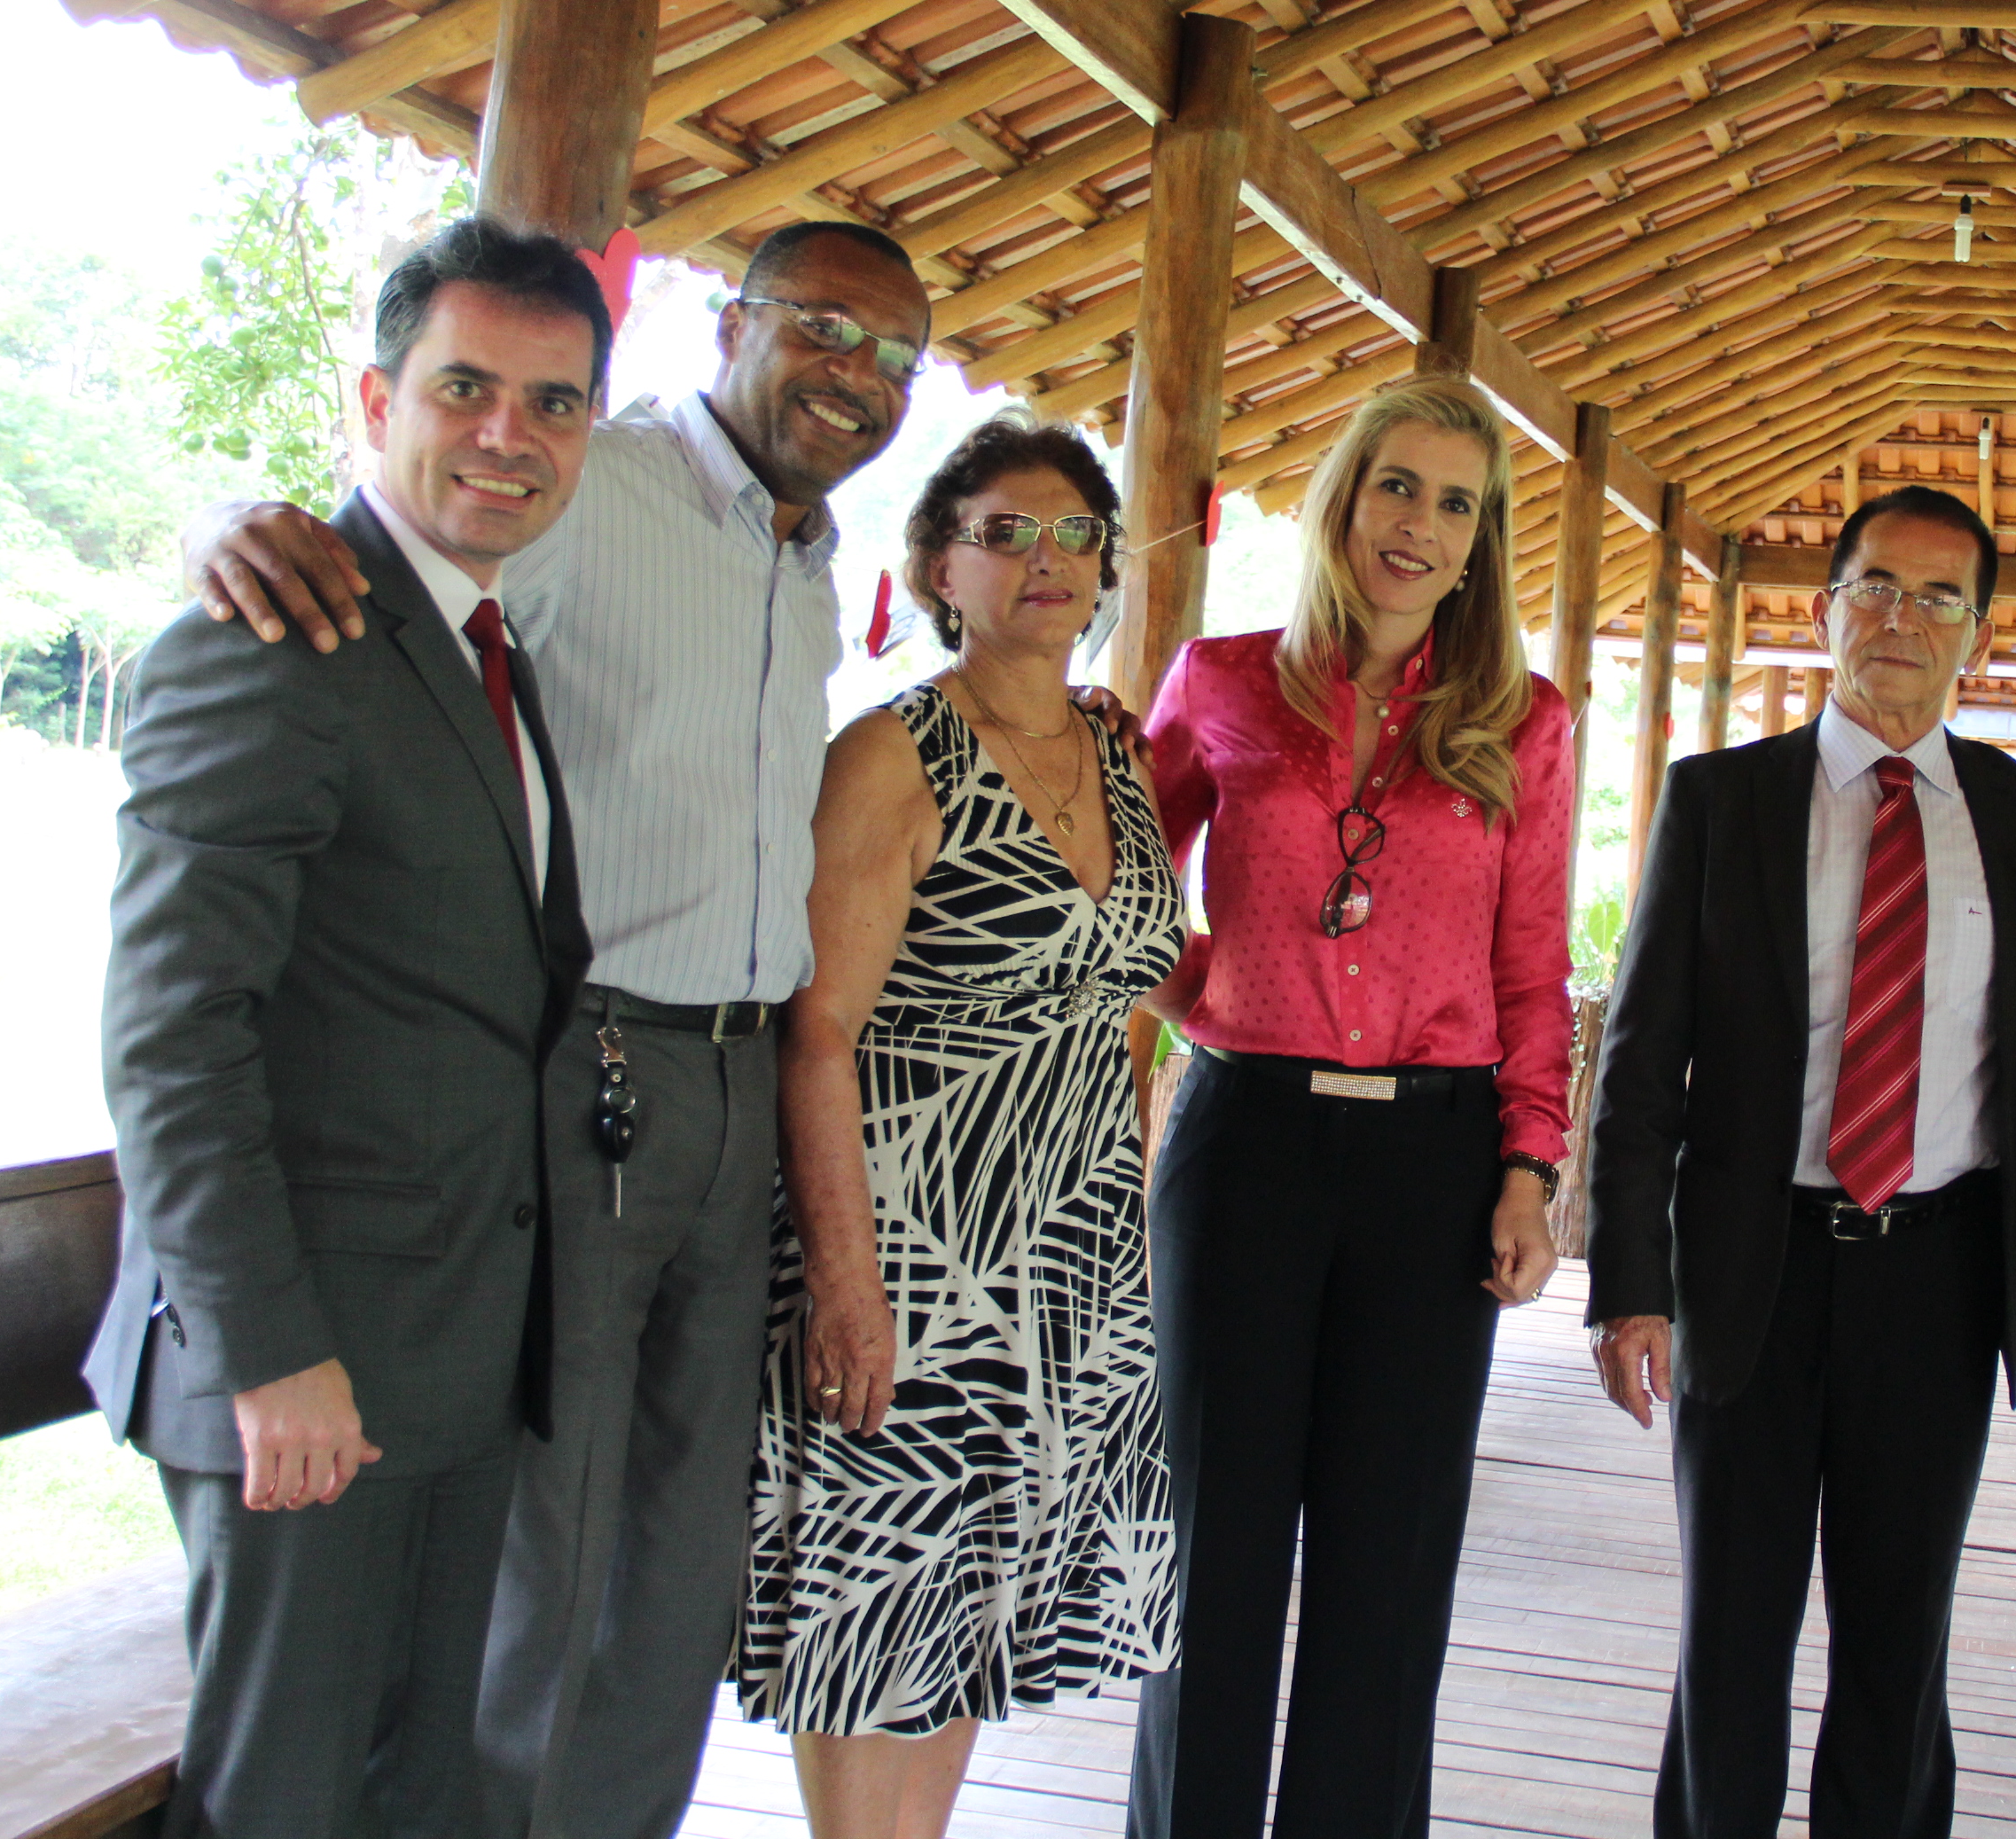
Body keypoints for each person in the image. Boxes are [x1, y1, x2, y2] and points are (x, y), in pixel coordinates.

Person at [178, 217, 932, 1839]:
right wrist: (231, 525)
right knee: (552, 1546)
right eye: (820, 327)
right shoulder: (609, 482)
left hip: (742, 1075)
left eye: (892, 356)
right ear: (729, 325)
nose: (852, 375)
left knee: (675, 1558)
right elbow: (390, 566)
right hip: (590, 1072)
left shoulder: (807, 561)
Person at [82, 217, 603, 1836]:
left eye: (556, 403)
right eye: (467, 388)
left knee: (422, 1797)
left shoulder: (485, 649)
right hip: (307, 1372)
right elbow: (175, 1027)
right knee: (283, 1801)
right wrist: (267, 1351)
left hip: (451, 1351)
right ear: (377, 397)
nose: (509, 435)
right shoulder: (276, 635)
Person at [1129, 377, 1575, 1839]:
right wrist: (1214, 997)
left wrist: (1530, 1166)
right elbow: (1125, 889)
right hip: (1246, 1141)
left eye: (1455, 503)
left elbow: (1530, 961)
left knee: (1388, 1567)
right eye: (1398, 486)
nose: (1420, 524)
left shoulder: (1526, 721)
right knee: (1218, 1553)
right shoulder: (1220, 681)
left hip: (1435, 1162)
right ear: (1345, 497)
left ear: (1479, 543)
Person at [731, 411, 1182, 1836]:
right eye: (1002, 534)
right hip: (917, 1245)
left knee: (979, 1602)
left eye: (1071, 534)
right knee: (882, 1604)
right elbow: (818, 1032)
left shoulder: (1123, 760)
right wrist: (852, 1285)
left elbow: (1127, 1009)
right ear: (938, 565)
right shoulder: (892, 754)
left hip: (1072, 1254)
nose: (1042, 560)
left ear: (1106, 565)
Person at [1586, 482, 2016, 1839]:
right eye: (1878, 588)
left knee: (1901, 1642)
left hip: (1941, 1270)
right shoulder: (1722, 801)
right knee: (1730, 1630)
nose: (1903, 619)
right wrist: (1631, 1286)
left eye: (1940, 597)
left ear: (1981, 634)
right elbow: (1639, 1062)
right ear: (1825, 607)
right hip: (1752, 1267)